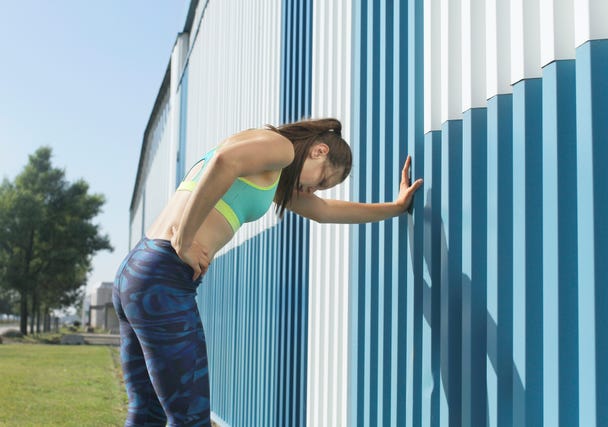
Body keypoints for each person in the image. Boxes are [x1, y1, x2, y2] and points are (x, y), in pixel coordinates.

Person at [112, 117, 423, 426]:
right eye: (323, 180)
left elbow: (324, 212)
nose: (315, 189)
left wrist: (394, 208)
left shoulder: (268, 174)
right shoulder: (280, 147)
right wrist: (184, 239)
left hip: (138, 271)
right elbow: (225, 161)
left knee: (148, 413)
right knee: (190, 419)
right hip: (164, 278)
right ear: (319, 151)